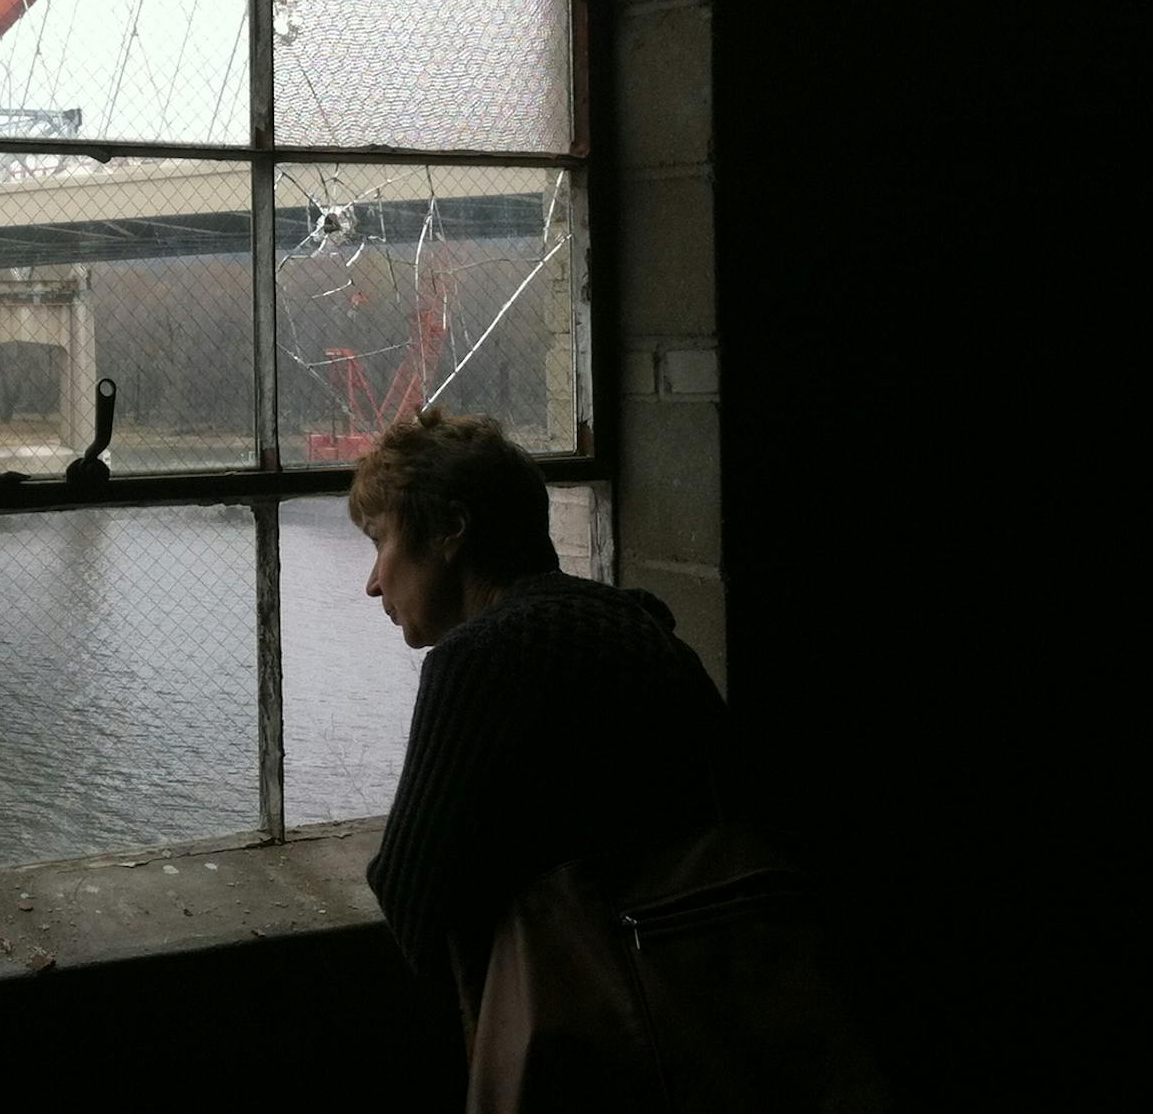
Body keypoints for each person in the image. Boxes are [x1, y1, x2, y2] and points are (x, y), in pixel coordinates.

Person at [353, 407, 886, 1111]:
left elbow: (412, 895)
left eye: (383, 540)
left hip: (599, 1057)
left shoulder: (476, 660)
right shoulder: (639, 621)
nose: (372, 580)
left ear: (451, 530)